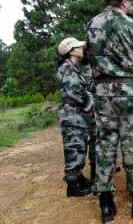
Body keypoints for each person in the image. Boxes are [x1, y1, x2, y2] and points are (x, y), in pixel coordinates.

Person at [87, 0, 133, 222]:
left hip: (102, 91)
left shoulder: (92, 23)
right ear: (124, 1)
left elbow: (90, 56)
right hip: (129, 91)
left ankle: (106, 205)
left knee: (105, 144)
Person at [56, 37, 95, 197]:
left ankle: (78, 178)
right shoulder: (67, 69)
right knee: (74, 148)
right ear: (71, 51)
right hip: (73, 114)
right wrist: (90, 100)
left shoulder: (73, 68)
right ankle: (73, 186)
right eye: (79, 47)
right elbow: (76, 93)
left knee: (79, 147)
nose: (82, 49)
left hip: (77, 113)